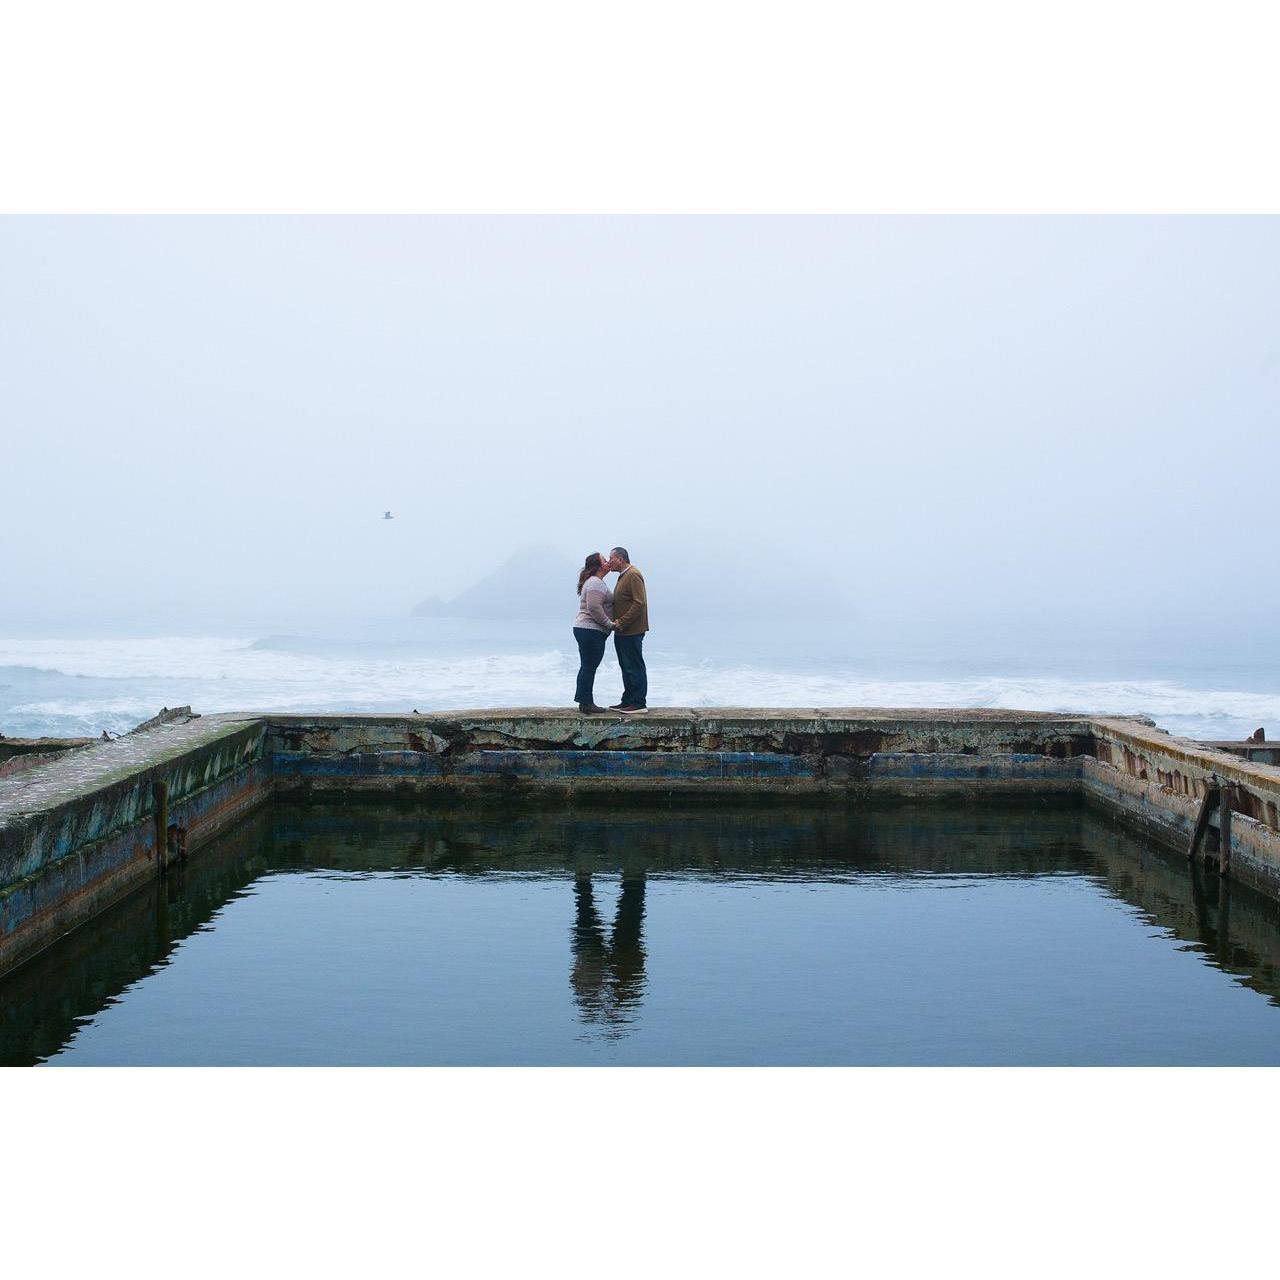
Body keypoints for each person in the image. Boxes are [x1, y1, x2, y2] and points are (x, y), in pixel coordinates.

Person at [606, 546, 648, 712]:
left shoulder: (633, 575)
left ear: (621, 559)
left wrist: (622, 622)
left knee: (634, 666)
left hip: (631, 630)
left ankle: (638, 703)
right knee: (625, 666)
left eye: (611, 559)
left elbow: (639, 602)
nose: (609, 562)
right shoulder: (623, 576)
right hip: (622, 631)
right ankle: (628, 699)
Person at [572, 552, 615, 714]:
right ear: (598, 566)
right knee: (589, 667)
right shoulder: (596, 582)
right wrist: (609, 624)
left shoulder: (595, 582)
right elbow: (594, 607)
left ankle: (584, 701)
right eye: (604, 560)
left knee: (587, 666)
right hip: (590, 629)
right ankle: (586, 703)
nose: (608, 562)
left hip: (587, 629)